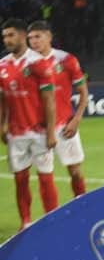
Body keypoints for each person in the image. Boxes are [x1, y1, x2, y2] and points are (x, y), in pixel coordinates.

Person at [0, 19, 58, 227]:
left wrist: (51, 132)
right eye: (5, 36)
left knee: (45, 177)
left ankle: (52, 220)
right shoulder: (3, 65)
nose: (7, 39)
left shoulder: (38, 62)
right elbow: (2, 100)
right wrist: (2, 125)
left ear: (23, 36)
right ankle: (25, 223)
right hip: (15, 133)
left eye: (11, 35)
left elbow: (49, 100)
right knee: (20, 178)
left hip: (39, 131)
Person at [26, 21, 88, 197]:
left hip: (65, 126)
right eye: (30, 38)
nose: (34, 41)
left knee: (75, 171)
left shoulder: (66, 60)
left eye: (38, 36)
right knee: (45, 175)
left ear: (49, 37)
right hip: (38, 129)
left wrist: (76, 119)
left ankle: (82, 206)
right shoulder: (24, 64)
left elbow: (83, 93)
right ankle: (51, 216)